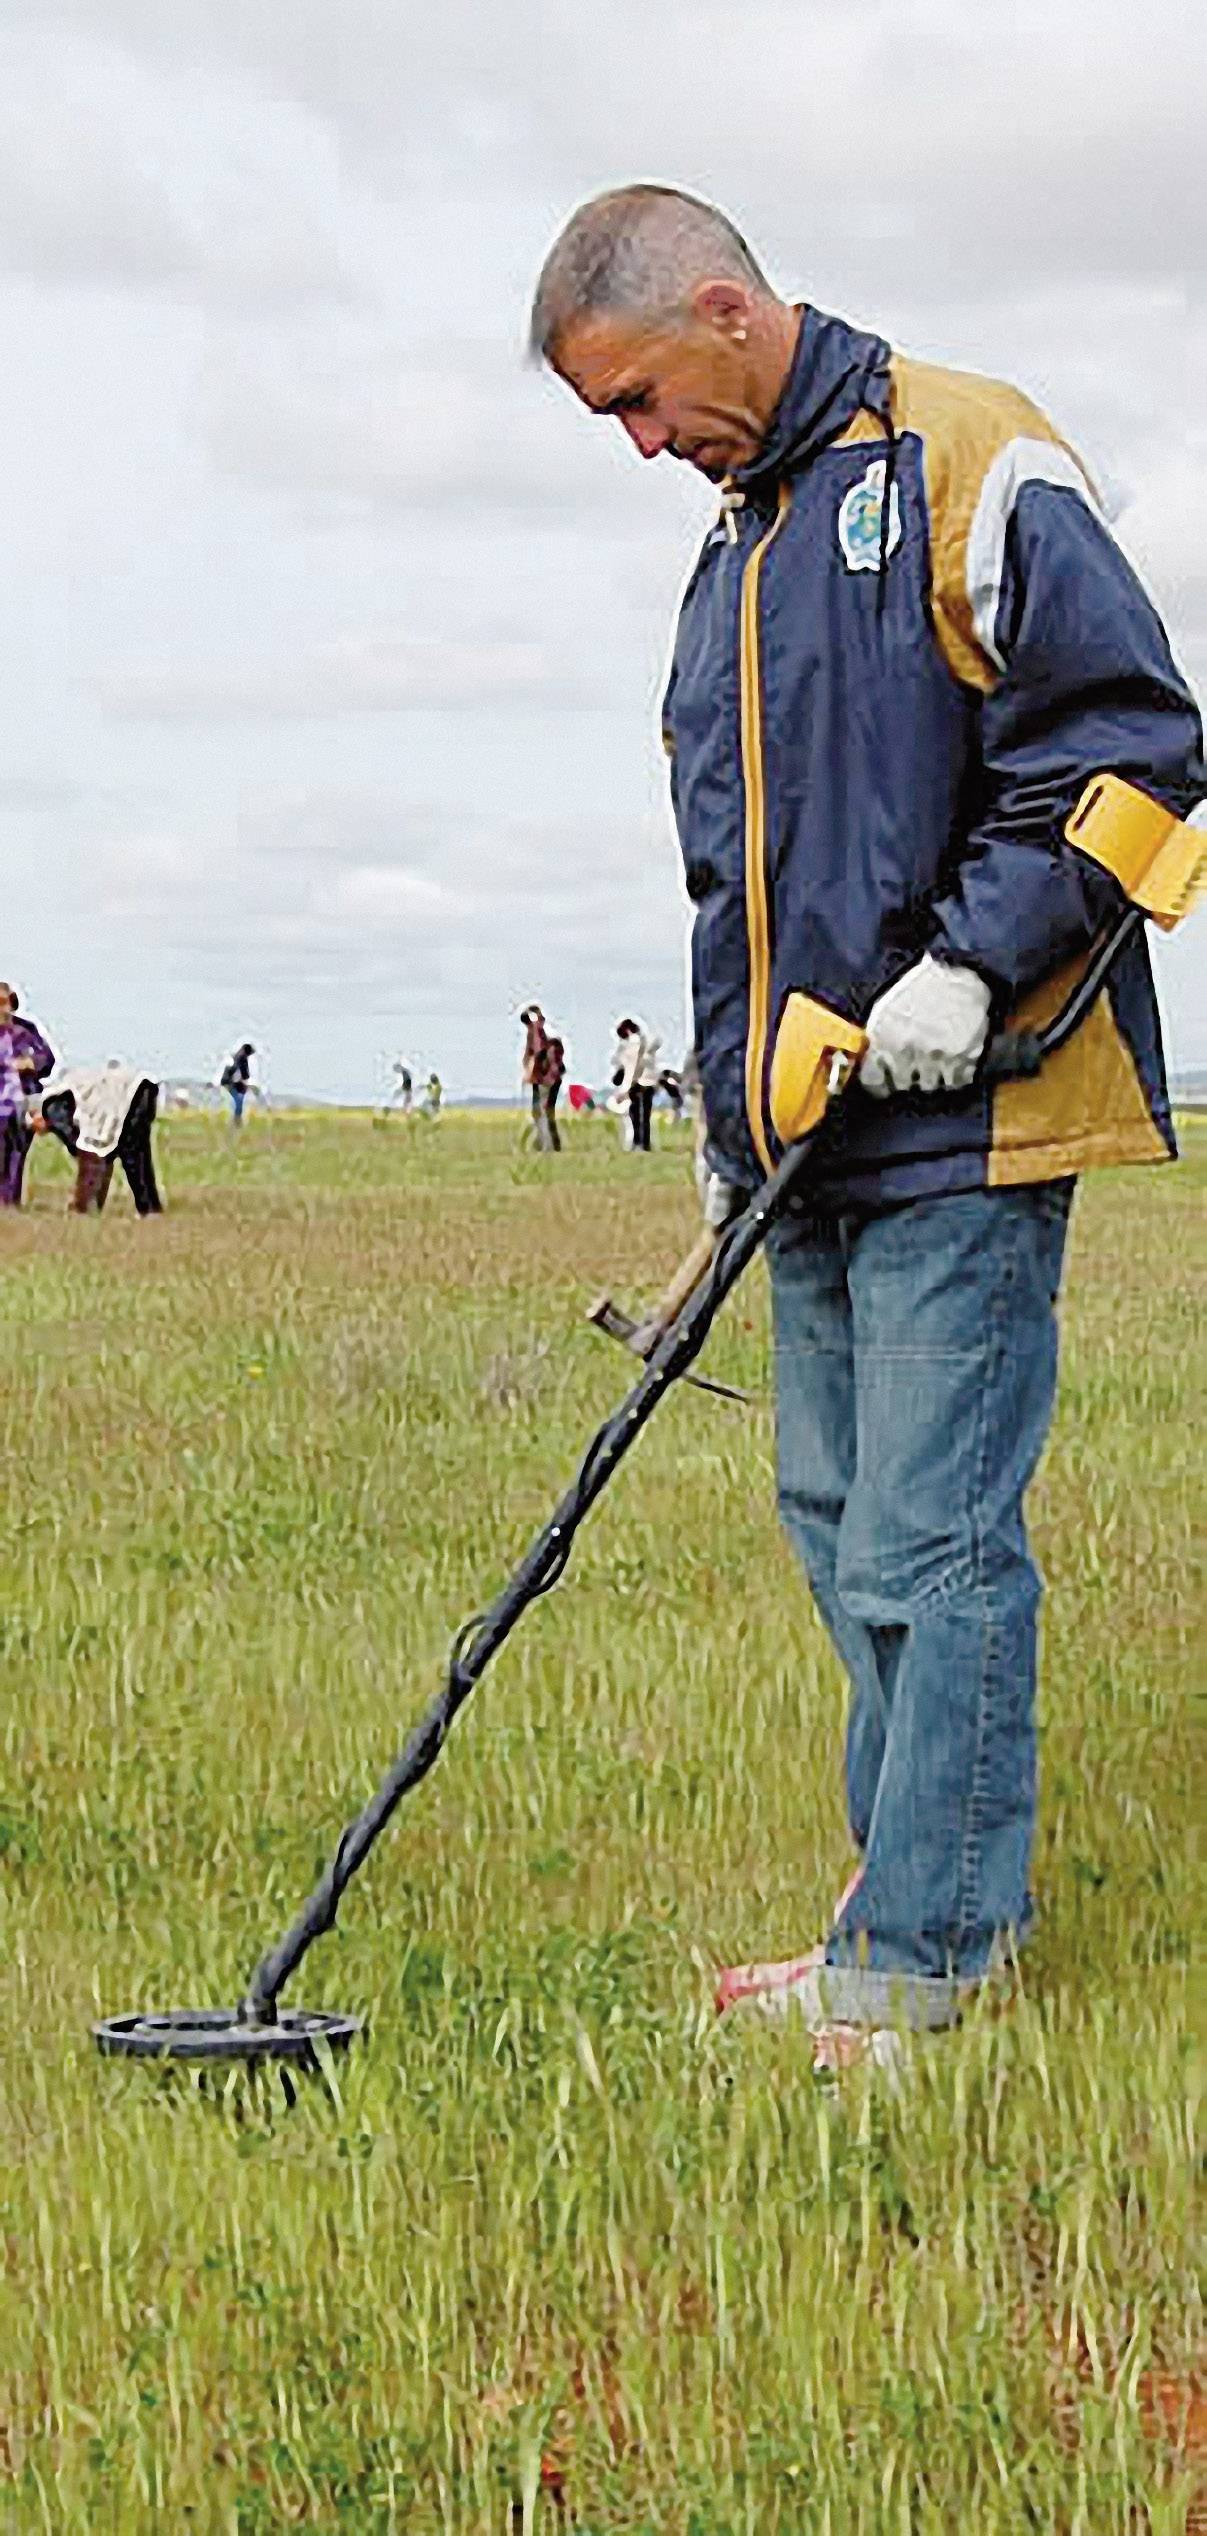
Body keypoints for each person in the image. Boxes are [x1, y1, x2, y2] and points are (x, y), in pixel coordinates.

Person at [531, 185, 1205, 2069]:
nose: (641, 447)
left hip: (969, 1119)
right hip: (805, 1143)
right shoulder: (733, 555)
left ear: (722, 310)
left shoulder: (966, 452)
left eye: (638, 401)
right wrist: (724, 1119)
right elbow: (734, 885)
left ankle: (924, 1966)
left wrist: (971, 970)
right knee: (839, 1529)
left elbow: (1138, 750)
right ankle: (892, 1904)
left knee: (928, 1537)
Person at [30, 1061, 163, 1216]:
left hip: (127, 1095)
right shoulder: (62, 1093)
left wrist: (80, 1202)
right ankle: (149, 1208)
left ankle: (89, 1208)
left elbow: (88, 1152)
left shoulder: (53, 1109)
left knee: (131, 1154)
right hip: (141, 1087)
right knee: (137, 1155)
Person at [0, 983, 54, 1206]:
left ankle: (10, 1203)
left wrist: (30, 1063)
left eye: (4, 1002)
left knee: (17, 1154)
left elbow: (47, 1059)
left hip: (24, 1099)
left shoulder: (26, 1029)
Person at [611, 1016, 661, 1152]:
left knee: (635, 1114)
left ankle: (637, 1141)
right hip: (650, 1081)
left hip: (637, 1082)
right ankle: (645, 1143)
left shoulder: (633, 1043)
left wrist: (627, 1085)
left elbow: (632, 1066)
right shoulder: (646, 1040)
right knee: (645, 1115)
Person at [221, 1042, 255, 1126]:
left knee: (238, 1103)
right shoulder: (241, 1059)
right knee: (238, 1103)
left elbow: (243, 1075)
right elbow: (243, 1075)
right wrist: (244, 1083)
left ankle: (236, 1121)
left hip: (234, 1084)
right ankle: (236, 1121)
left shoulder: (238, 1058)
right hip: (234, 1085)